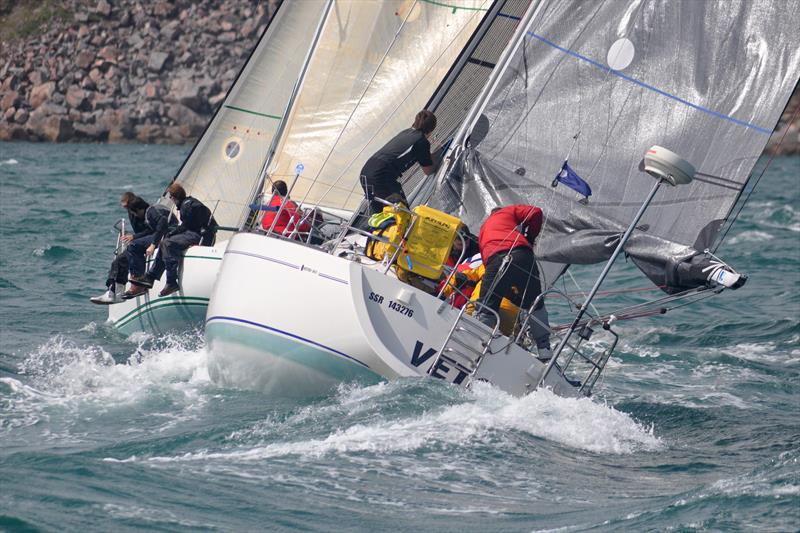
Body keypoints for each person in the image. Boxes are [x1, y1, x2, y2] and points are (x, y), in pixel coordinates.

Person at [473, 204, 551, 357]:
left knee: (487, 305)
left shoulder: (483, 230)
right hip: (524, 255)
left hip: (497, 259)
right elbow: (535, 211)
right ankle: (545, 350)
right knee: (536, 304)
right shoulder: (509, 211)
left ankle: (476, 345)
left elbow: (487, 264)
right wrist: (529, 238)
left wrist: (509, 295)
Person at [126, 183, 217, 298]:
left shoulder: (187, 206)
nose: (171, 200)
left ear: (174, 197)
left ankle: (171, 282)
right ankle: (150, 277)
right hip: (195, 233)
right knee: (166, 240)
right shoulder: (188, 203)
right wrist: (171, 233)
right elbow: (187, 225)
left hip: (197, 235)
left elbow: (186, 226)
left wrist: (172, 233)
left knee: (167, 243)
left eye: (171, 197)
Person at [359, 110, 438, 217]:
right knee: (402, 214)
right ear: (431, 129)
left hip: (366, 172)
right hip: (381, 177)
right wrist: (438, 155)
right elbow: (429, 171)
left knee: (381, 216)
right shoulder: (421, 141)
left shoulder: (405, 132)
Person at [90, 192, 149, 304]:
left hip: (146, 243)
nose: (127, 210)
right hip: (138, 242)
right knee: (118, 261)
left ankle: (124, 290)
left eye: (127, 207)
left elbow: (151, 230)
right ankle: (113, 292)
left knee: (125, 258)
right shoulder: (131, 213)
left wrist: (134, 237)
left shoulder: (146, 212)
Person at [125, 201, 174, 288]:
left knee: (133, 246)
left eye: (134, 213)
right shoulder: (149, 213)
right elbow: (151, 230)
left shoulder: (150, 212)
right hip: (162, 235)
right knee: (128, 250)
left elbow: (162, 223)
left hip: (166, 235)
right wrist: (134, 236)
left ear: (139, 210)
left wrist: (153, 244)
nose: (135, 216)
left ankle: (138, 281)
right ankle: (131, 280)